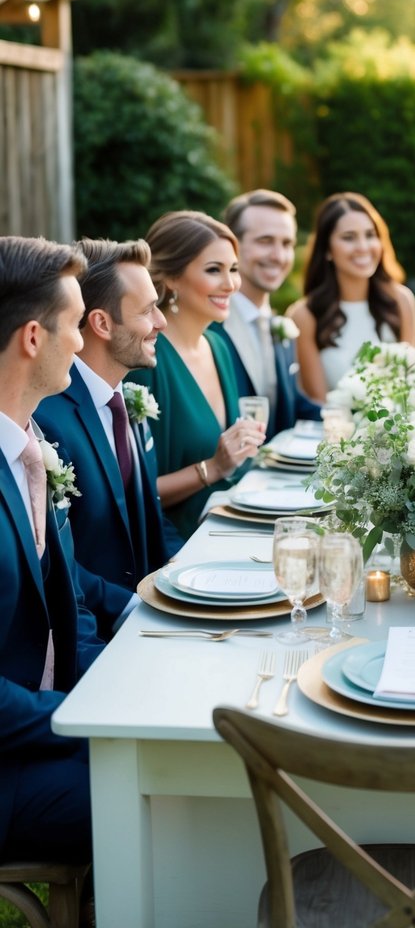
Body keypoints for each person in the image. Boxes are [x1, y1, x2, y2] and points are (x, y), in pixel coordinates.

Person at [0, 236, 104, 868]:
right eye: (74, 326)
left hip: (44, 723)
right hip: (8, 770)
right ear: (33, 338)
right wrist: (86, 713)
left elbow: (68, 603)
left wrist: (116, 678)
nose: (83, 341)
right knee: (175, 789)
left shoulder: (31, 447)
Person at [36, 238, 179, 612]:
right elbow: (57, 563)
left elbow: (151, 516)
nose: (161, 321)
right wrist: (133, 608)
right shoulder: (47, 422)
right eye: (148, 310)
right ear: (101, 323)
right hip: (97, 633)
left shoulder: (127, 401)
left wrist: (190, 578)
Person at [127, 211, 265, 541]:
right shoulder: (146, 362)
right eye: (213, 270)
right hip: (177, 544)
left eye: (233, 269)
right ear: (172, 278)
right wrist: (212, 469)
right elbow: (133, 493)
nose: (230, 284)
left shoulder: (217, 346)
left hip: (231, 524)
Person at [288, 192, 415, 400]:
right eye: (349, 237)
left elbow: (413, 385)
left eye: (370, 235)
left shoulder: (401, 301)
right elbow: (318, 402)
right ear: (327, 250)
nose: (363, 247)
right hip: (335, 429)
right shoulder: (304, 315)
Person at [215, 189, 320, 439]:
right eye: (265, 241)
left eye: (287, 244)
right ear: (232, 247)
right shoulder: (210, 328)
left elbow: (292, 406)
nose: (278, 256)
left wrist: (358, 419)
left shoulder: (279, 326)